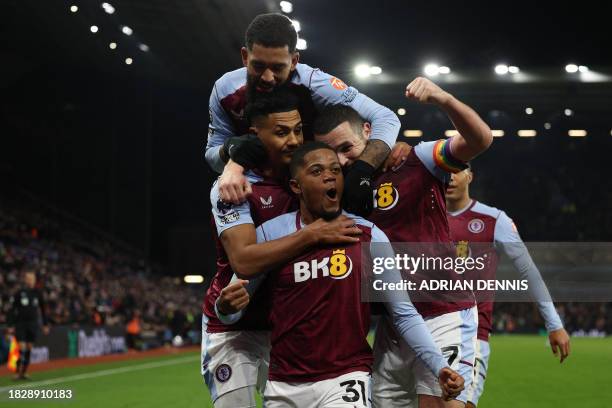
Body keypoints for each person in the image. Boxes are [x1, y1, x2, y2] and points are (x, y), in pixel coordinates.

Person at [219, 142, 465, 407]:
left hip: (346, 378)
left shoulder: (369, 236)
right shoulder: (271, 233)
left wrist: (439, 365)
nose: (329, 176)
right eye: (316, 171)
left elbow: (403, 313)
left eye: (335, 170)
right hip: (283, 384)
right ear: (295, 186)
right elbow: (231, 310)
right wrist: (225, 306)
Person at [313, 76, 493, 408]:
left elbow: (480, 140)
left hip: (444, 313)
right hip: (393, 327)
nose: (341, 161)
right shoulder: (334, 190)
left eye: (346, 148)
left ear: (368, 132)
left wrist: (443, 98)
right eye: (331, 153)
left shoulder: (418, 160)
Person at [203, 88, 361, 407]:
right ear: (254, 135)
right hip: (236, 329)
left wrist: (393, 148)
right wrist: (312, 234)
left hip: (290, 333)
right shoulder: (234, 186)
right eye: (280, 132)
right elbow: (245, 261)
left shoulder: (313, 174)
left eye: (298, 130)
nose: (293, 140)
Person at [206, 13, 400, 216]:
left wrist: (363, 170)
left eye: (278, 67)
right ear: (245, 57)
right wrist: (230, 153)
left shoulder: (315, 83)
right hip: (256, 190)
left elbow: (386, 118)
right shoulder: (224, 89)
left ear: (294, 61)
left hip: (313, 190)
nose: (267, 77)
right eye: (259, 66)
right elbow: (212, 154)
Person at [446, 165, 571, 407]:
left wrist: (554, 323)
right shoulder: (424, 217)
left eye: (457, 170)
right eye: (444, 170)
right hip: (425, 334)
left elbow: (529, 271)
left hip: (470, 336)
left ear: (469, 175)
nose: (450, 177)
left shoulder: (494, 220)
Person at [7, 271, 49, 380]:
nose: (30, 280)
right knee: (22, 348)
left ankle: (24, 372)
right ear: (25, 280)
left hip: (32, 324)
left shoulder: (38, 293)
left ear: (35, 280)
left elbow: (43, 310)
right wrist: (10, 325)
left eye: (32, 278)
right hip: (20, 324)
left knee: (29, 349)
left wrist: (45, 324)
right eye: (28, 278)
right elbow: (12, 310)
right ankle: (17, 371)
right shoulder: (20, 293)